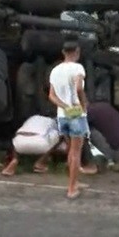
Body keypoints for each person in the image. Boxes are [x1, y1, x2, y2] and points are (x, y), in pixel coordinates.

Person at [48, 39, 89, 199]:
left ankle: (74, 182)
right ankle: (72, 188)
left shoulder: (55, 70)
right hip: (77, 114)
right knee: (76, 152)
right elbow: (79, 87)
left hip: (63, 115)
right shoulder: (78, 67)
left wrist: (64, 106)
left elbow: (51, 96)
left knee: (71, 149)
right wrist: (83, 103)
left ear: (63, 52)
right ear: (77, 52)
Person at [1, 115, 67, 176]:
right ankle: (41, 162)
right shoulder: (53, 122)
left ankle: (14, 159)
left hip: (19, 144)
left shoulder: (32, 118)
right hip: (40, 143)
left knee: (17, 137)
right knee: (59, 136)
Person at [87, 102, 119, 172]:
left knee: (90, 132)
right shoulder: (104, 105)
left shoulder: (88, 113)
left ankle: (107, 162)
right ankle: (112, 160)